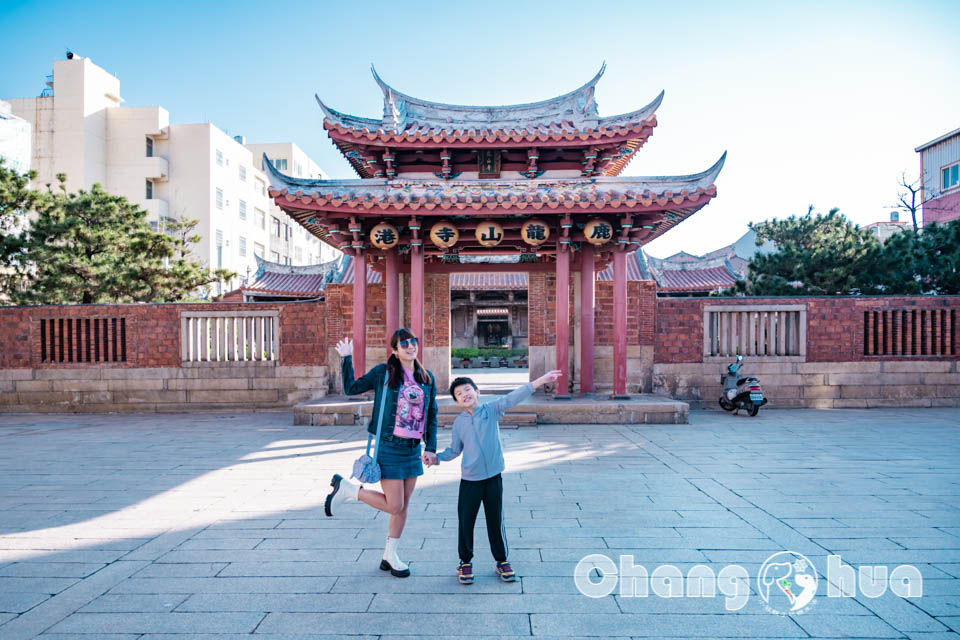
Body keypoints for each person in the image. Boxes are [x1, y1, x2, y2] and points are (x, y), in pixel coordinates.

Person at [423, 369, 562, 584]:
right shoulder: (459, 423)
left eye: (468, 390)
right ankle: (465, 562)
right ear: (457, 401)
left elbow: (512, 397)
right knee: (465, 521)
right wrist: (437, 458)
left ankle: (502, 561)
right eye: (459, 394)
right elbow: (454, 450)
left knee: (495, 521)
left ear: (477, 392)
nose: (465, 394)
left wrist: (540, 381)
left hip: (493, 478)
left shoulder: (492, 410)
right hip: (470, 481)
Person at [324, 328, 438, 578]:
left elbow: (431, 416)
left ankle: (391, 554)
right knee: (395, 505)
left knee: (403, 506)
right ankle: (350, 490)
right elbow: (351, 388)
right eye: (404, 343)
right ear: (395, 351)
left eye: (413, 342)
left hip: (412, 450)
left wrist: (430, 448)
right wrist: (346, 358)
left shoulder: (426, 377)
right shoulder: (383, 373)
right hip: (389, 446)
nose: (410, 346)